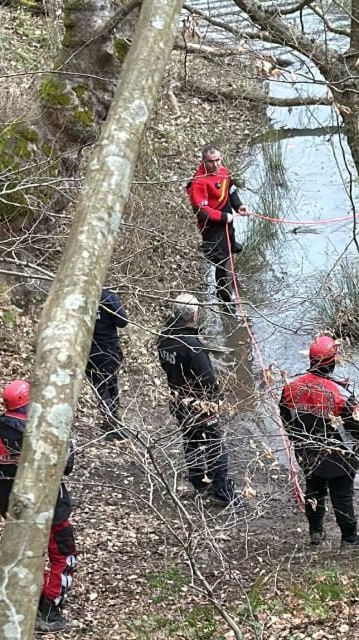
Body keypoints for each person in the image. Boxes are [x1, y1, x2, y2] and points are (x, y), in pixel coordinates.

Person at [0, 380, 77, 633]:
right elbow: (67, 465)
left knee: (26, 556)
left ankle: (20, 605)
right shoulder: (45, 429)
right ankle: (49, 611)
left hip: (15, 508)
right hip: (51, 507)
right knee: (63, 556)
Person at [280, 336, 359, 548]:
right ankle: (349, 537)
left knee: (313, 491)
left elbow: (286, 419)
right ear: (332, 362)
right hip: (339, 456)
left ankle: (316, 532)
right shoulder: (340, 394)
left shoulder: (290, 388)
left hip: (307, 452)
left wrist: (298, 440)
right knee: (342, 495)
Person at [156, 293, 237, 506]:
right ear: (192, 316)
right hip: (199, 405)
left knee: (191, 441)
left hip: (178, 400)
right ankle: (221, 492)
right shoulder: (192, 345)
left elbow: (166, 367)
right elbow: (207, 379)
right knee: (215, 445)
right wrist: (218, 401)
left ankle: (200, 483)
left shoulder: (164, 337)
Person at [186, 146, 249, 304]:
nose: (215, 165)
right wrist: (222, 217)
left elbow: (231, 191)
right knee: (221, 260)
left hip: (227, 219)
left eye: (217, 160)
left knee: (231, 249)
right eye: (211, 161)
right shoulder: (199, 182)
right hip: (211, 226)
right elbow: (202, 210)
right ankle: (224, 298)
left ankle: (231, 280)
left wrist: (239, 206)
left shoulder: (224, 172)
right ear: (203, 161)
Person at [87, 287, 129, 441]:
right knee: (110, 385)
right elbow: (122, 321)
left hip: (88, 351)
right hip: (108, 349)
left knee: (101, 387)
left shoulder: (78, 296)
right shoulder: (106, 296)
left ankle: (111, 421)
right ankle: (112, 424)